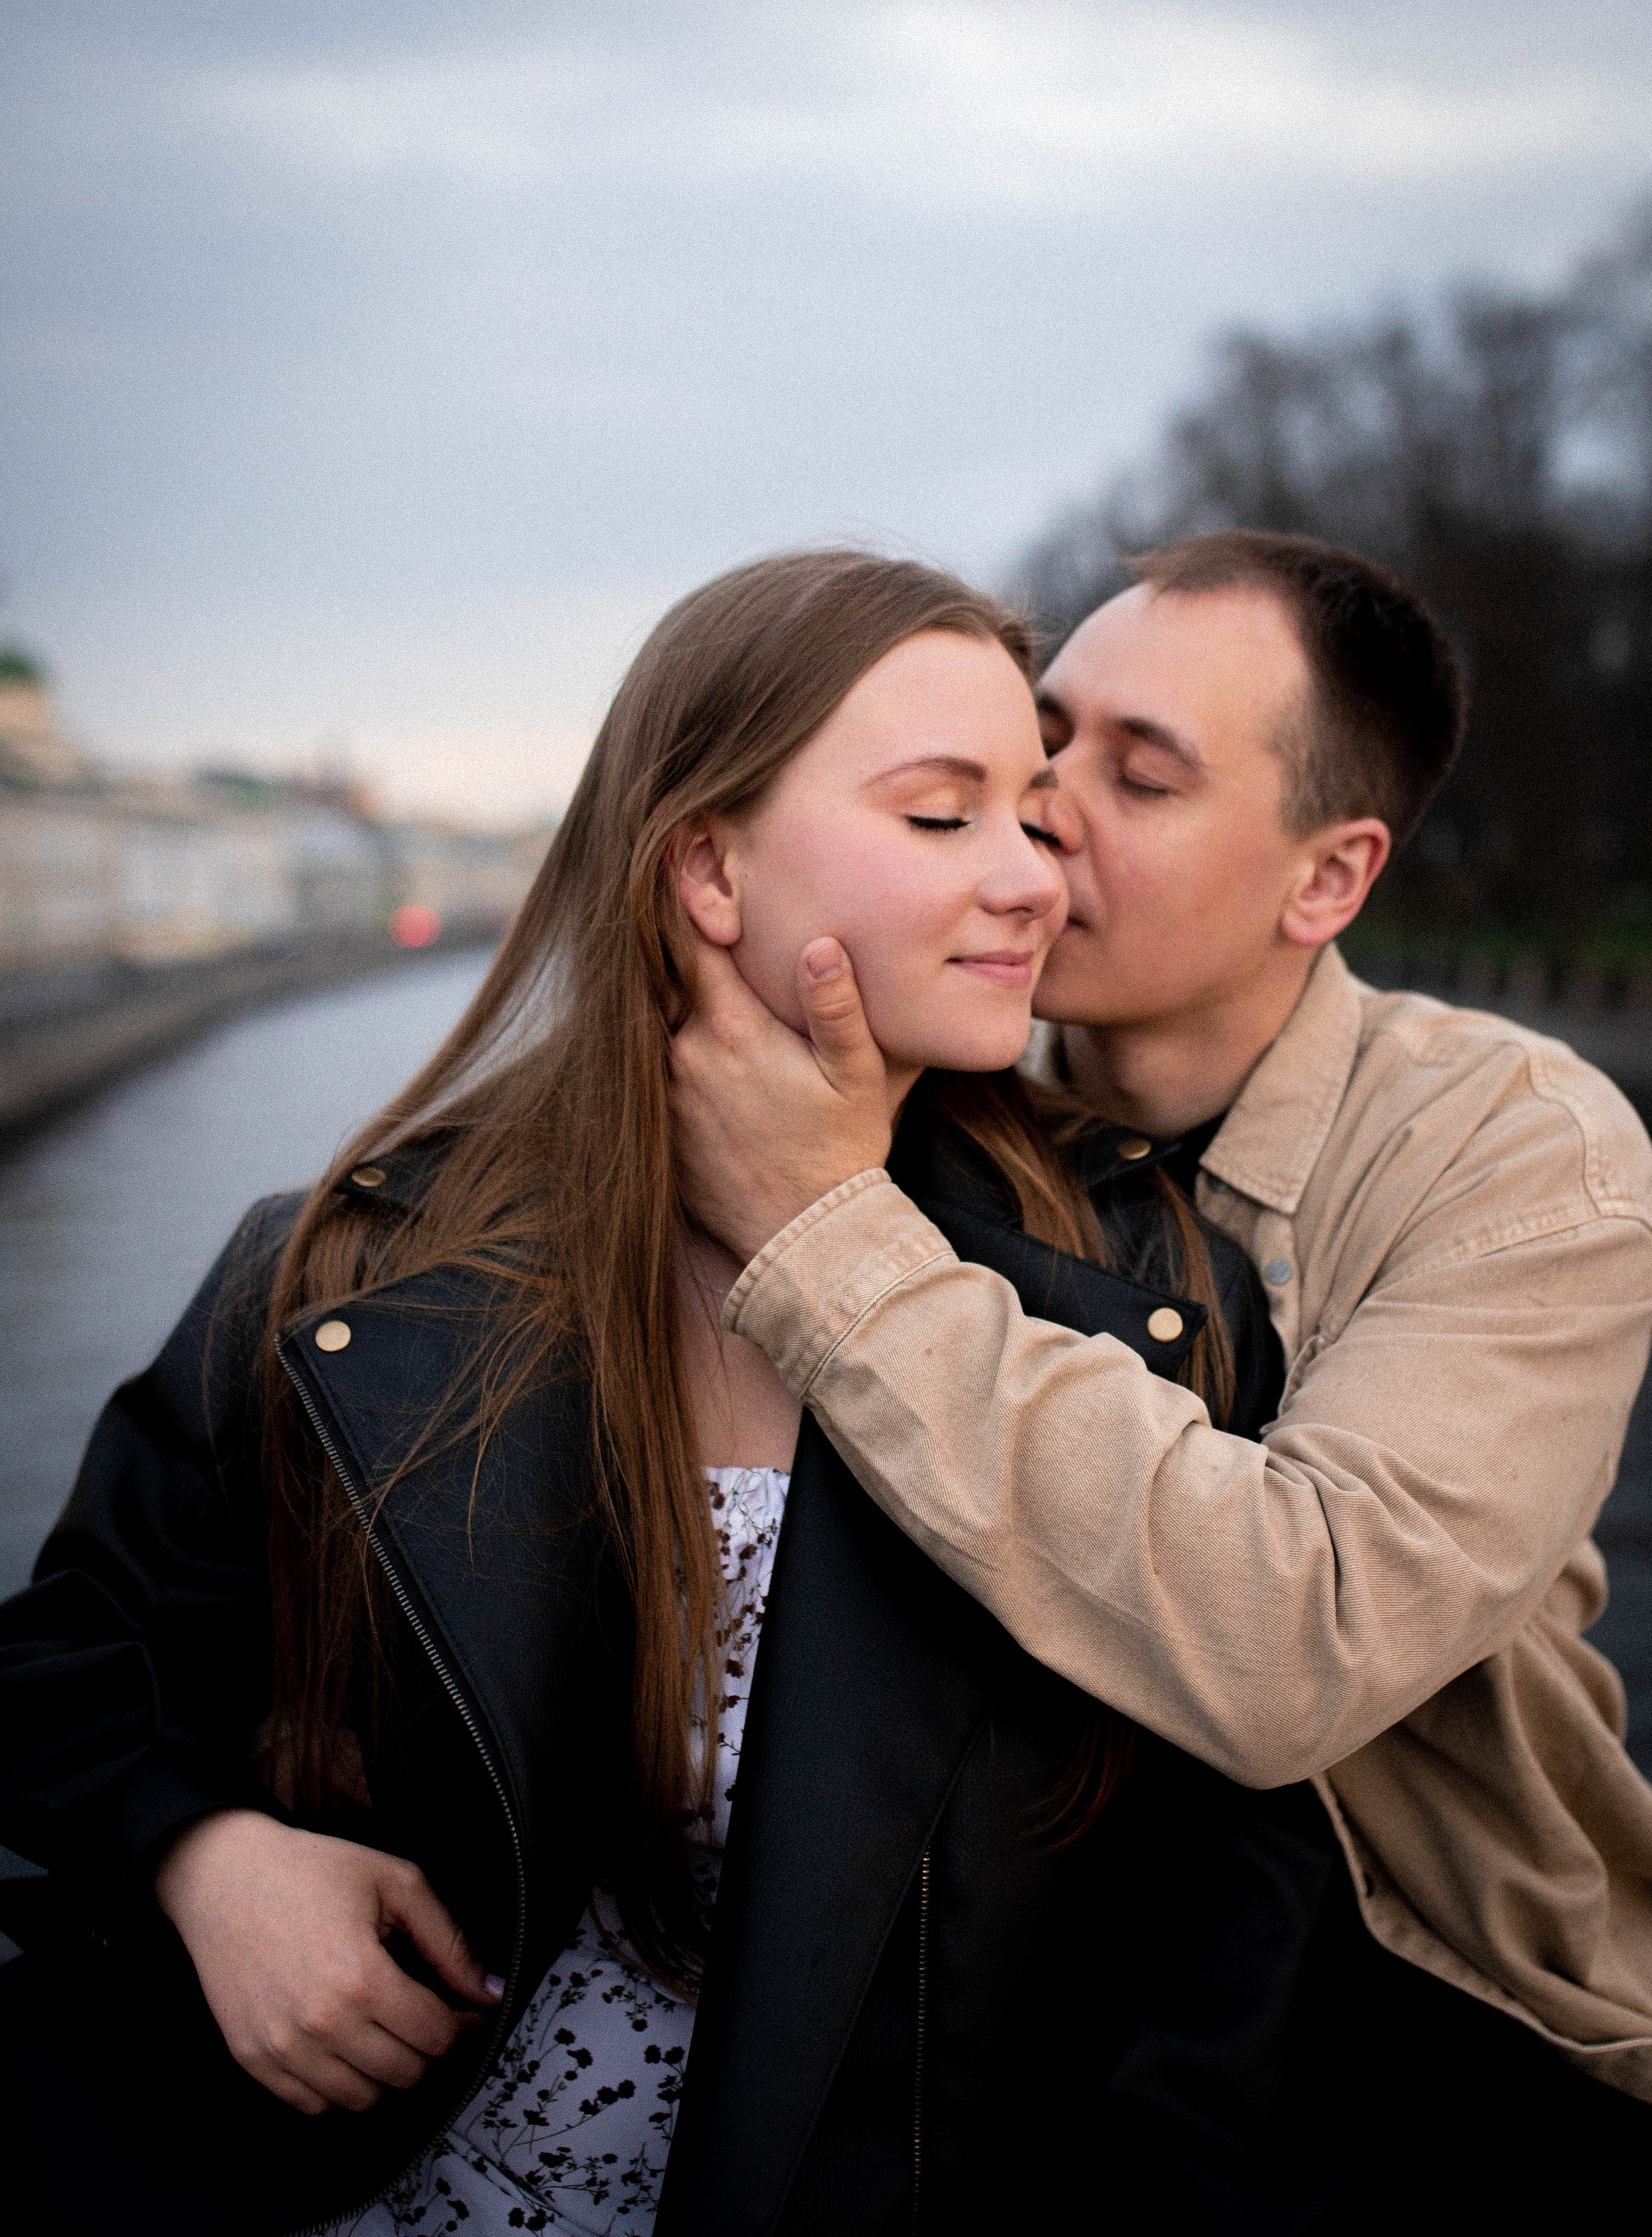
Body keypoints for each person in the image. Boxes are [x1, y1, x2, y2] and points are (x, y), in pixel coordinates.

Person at [0, 550, 1302, 2236]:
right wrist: (204, 1855)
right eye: (939, 816)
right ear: (703, 867)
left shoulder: (1157, 1294)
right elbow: (66, 1657)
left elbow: (1235, 1912)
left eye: (1033, 816)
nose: (1031, 878)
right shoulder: (342, 1275)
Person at [668, 530, 1652, 2210]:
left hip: (1427, 2013)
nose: (1040, 804)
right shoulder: (881, 1075)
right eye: (1037, 736)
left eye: (1132, 777)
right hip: (973, 2018)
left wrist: (825, 1239)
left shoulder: (1512, 1151)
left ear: (1324, 879)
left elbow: (1302, 1635)